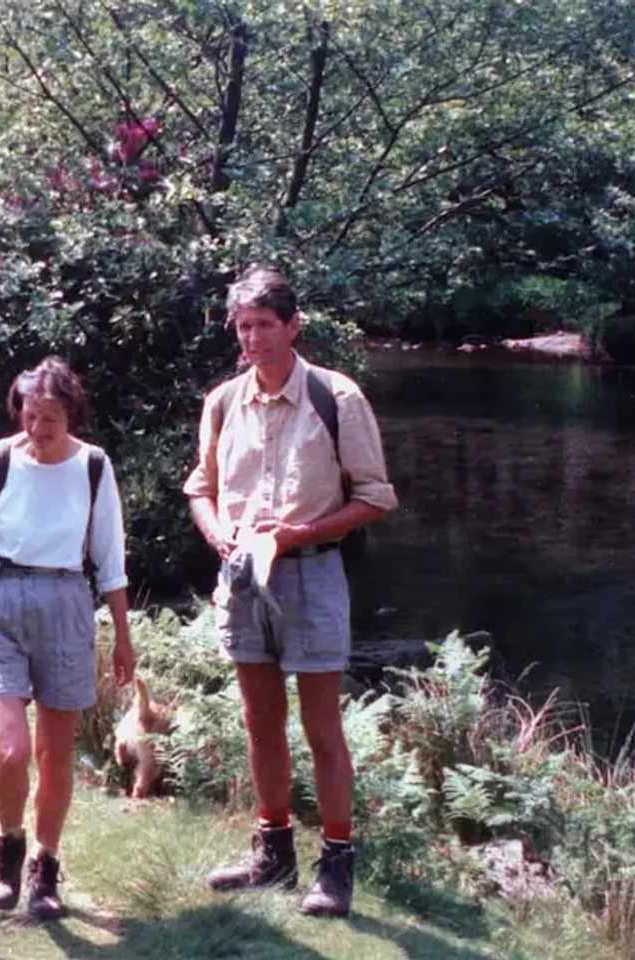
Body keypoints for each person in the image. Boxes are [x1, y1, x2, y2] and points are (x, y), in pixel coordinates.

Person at [183, 266, 398, 917]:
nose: (252, 339)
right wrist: (220, 535)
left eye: (265, 326)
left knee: (321, 726)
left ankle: (336, 867)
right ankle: (272, 856)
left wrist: (301, 532)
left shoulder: (337, 397)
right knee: (259, 719)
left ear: (293, 326)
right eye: (243, 327)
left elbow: (377, 498)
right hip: (243, 576)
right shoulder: (223, 402)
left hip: (313, 573)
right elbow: (201, 488)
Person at [0, 357, 136, 921]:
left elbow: (111, 559)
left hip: (68, 603)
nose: (38, 429)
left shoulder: (95, 468)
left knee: (55, 755)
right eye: (30, 416)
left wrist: (123, 636)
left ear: (70, 412)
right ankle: (7, 845)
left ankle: (45, 867)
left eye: (49, 418)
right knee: (11, 750)